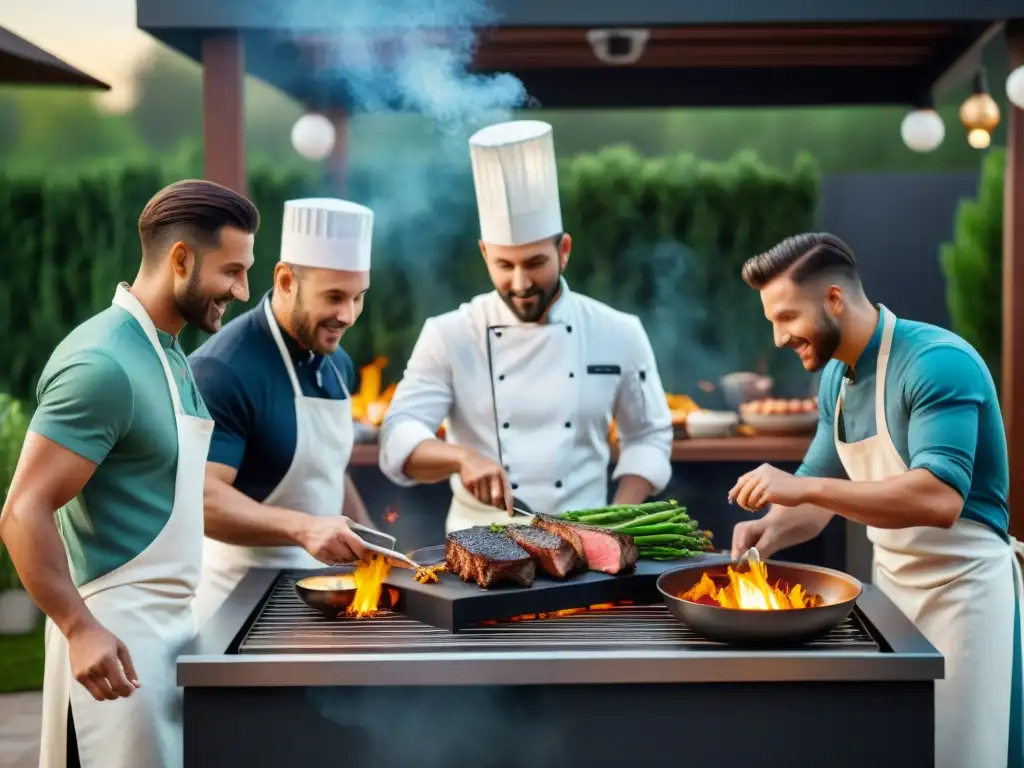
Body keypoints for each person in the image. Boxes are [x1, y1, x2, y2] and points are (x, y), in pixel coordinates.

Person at [727, 232, 1023, 768]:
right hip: (894, 599)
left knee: (966, 755)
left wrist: (803, 488)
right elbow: (817, 493)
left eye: (787, 317)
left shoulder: (937, 363)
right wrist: (770, 531)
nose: (777, 338)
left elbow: (938, 498)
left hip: (969, 602)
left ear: (834, 299)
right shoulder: (836, 380)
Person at [0, 179, 258, 768]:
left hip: (168, 630)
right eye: (233, 271)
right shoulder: (102, 363)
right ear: (182, 259)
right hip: (112, 640)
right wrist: (79, 627)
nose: (243, 290)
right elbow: (22, 511)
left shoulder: (170, 354)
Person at [378, 120, 673, 533]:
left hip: (584, 544)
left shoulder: (619, 332)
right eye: (504, 265)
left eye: (535, 263)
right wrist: (461, 458)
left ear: (564, 250)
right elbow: (398, 438)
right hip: (476, 545)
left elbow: (648, 437)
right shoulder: (449, 334)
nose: (520, 284)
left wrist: (617, 523)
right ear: (484, 254)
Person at [188, 198, 375, 627]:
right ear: (287, 280)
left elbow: (325, 470)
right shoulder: (224, 370)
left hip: (319, 596)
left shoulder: (337, 363)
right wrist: (305, 528)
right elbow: (201, 499)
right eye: (333, 297)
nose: (347, 316)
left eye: (358, 298)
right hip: (233, 604)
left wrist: (371, 543)